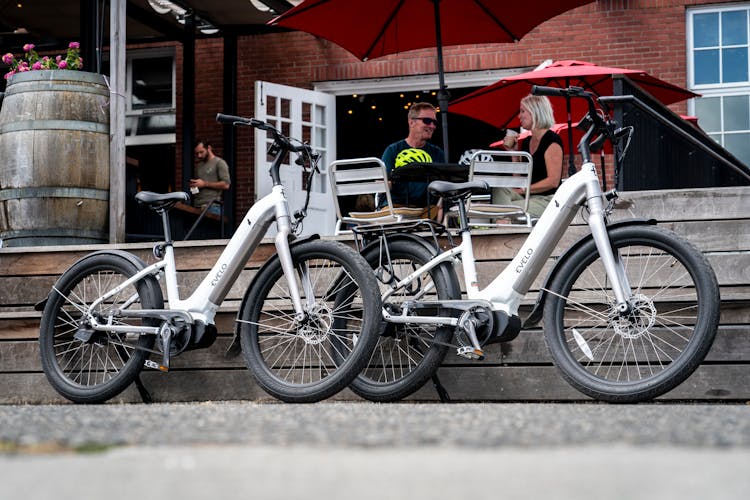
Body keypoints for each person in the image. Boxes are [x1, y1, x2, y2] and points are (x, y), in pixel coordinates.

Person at [495, 94, 563, 218]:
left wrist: (523, 190)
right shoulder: (527, 142)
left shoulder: (552, 140)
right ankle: (503, 221)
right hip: (529, 197)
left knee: (502, 209)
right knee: (498, 189)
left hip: (547, 200)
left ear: (535, 111)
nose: (519, 116)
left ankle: (502, 223)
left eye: (522, 111)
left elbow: (553, 182)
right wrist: (514, 153)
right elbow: (519, 181)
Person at [381, 102, 445, 219]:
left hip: (426, 210)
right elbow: (382, 184)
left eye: (434, 122)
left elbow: (444, 185)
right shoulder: (393, 150)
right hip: (396, 208)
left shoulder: (437, 153)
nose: (432, 126)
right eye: (427, 121)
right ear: (411, 122)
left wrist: (440, 205)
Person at [191, 139, 231, 216]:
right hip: (197, 206)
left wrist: (204, 184)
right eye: (197, 153)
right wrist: (194, 186)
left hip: (212, 207)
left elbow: (226, 185)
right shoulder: (198, 166)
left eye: (201, 152)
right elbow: (197, 187)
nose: (199, 155)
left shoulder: (219, 163)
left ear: (209, 148)